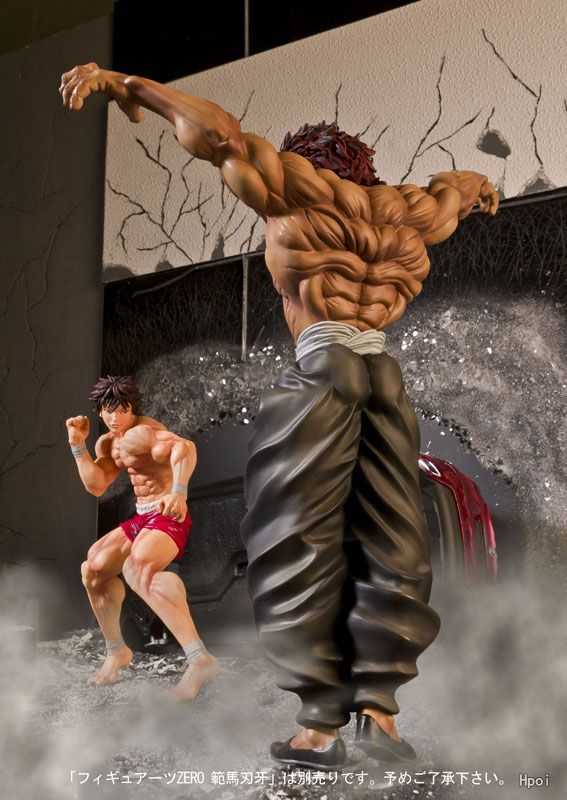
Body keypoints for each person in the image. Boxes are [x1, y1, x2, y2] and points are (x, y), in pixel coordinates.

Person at [60, 65, 498, 767]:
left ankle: (319, 727)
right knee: (393, 539)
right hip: (383, 379)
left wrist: (128, 86)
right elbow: (460, 187)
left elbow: (222, 137)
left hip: (324, 367)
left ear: (305, 159)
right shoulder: (407, 211)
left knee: (293, 536)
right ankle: (381, 718)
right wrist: (480, 189)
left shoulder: (297, 188)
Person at [66, 375, 219, 699]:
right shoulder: (108, 443)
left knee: (138, 569)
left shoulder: (143, 432)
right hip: (142, 517)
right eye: (109, 411)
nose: (115, 418)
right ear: (100, 412)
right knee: (93, 570)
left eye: (122, 410)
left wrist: (178, 492)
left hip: (168, 514)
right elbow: (96, 485)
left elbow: (184, 448)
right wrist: (78, 445)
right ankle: (117, 651)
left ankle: (199, 659)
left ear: (131, 408)